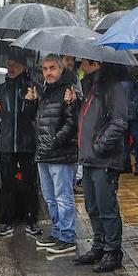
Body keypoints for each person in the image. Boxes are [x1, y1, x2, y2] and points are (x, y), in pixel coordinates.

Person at [73, 57, 128, 273]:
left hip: (104, 159)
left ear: (94, 63)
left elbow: (119, 120)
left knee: (107, 207)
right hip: (89, 158)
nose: (80, 66)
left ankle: (112, 251)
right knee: (92, 206)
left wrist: (101, 143)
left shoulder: (111, 87)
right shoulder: (90, 86)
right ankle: (99, 245)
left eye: (83, 62)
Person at [31, 54, 80, 255]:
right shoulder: (43, 91)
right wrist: (31, 102)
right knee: (50, 197)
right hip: (43, 152)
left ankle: (68, 237)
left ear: (61, 69)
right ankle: (58, 232)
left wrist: (54, 141)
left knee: (63, 196)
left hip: (61, 152)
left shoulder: (69, 90)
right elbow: (37, 121)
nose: (48, 72)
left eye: (52, 68)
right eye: (45, 68)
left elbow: (71, 122)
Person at [0, 55, 40, 237]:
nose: (11, 68)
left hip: (27, 143)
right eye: (8, 64)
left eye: (15, 64)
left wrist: (30, 101)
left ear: (24, 66)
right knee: (7, 185)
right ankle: (5, 222)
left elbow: (33, 116)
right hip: (6, 143)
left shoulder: (32, 88)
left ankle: (32, 221)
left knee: (30, 185)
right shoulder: (1, 89)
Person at [122, 76, 138, 175]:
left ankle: (127, 164)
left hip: (127, 115)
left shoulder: (121, 83)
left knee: (126, 141)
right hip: (133, 115)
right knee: (136, 141)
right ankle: (137, 165)